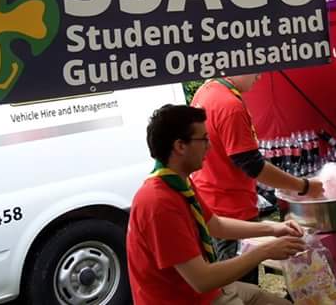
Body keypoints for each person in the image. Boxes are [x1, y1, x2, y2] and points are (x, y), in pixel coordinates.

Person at [127, 104, 306, 305]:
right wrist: (265, 251)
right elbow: (202, 280)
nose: (209, 146)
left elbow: (216, 225)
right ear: (180, 146)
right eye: (204, 139)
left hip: (202, 293)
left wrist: (274, 229)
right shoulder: (158, 203)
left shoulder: (178, 182)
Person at [191, 74, 324, 283]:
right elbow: (253, 165)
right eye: (255, 69)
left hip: (212, 202)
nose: (259, 76)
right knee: (240, 285)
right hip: (231, 211)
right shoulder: (230, 106)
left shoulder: (206, 90)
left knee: (231, 283)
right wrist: (304, 186)